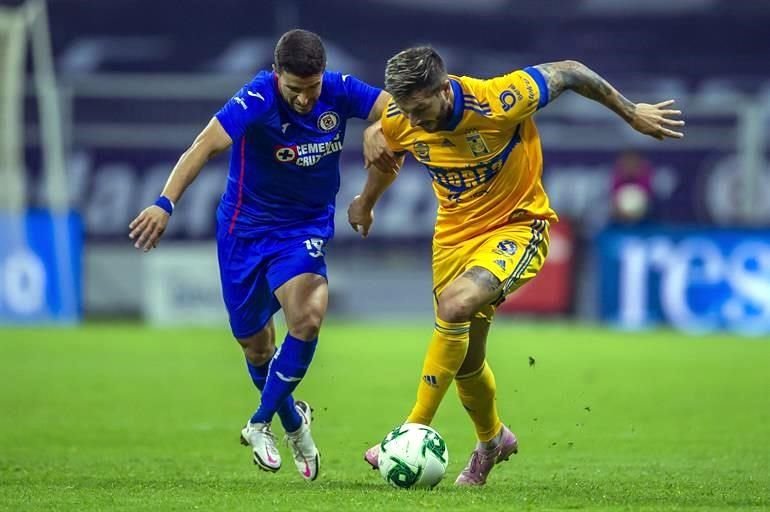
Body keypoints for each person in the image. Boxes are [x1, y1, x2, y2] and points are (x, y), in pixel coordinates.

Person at [349, 47, 684, 486]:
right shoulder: (403, 117)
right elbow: (388, 155)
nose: (412, 121)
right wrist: (366, 200)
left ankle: (412, 427)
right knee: (466, 359)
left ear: (442, 89)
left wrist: (630, 113)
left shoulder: (499, 99)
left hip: (517, 227)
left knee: (453, 307)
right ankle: (492, 441)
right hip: (453, 238)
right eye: (404, 112)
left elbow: (571, 71)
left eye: (419, 109)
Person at [128, 29, 393, 481]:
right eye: (295, 90)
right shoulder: (256, 96)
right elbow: (203, 146)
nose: (306, 100)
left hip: (302, 230)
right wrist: (164, 202)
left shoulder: (339, 90)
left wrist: (378, 126)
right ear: (277, 76)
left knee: (307, 317)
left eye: (312, 89)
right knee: (257, 347)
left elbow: (395, 106)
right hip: (244, 232)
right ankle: (294, 422)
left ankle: (258, 423)